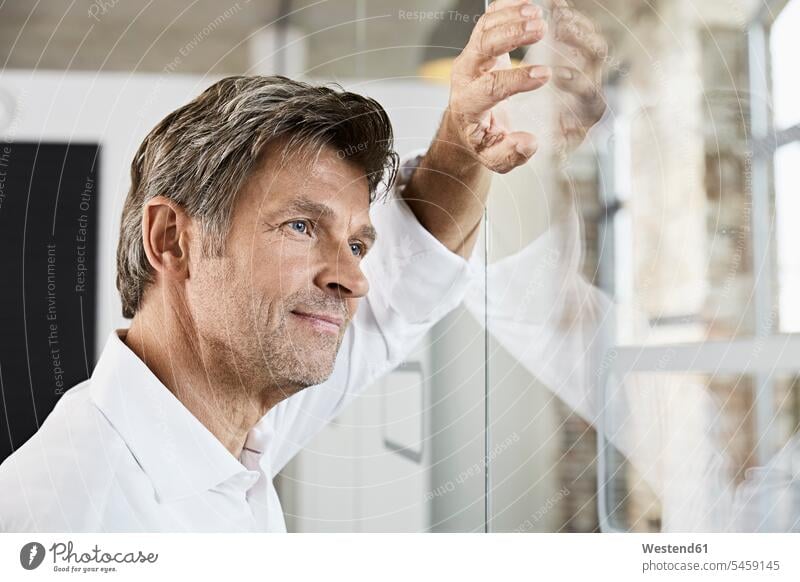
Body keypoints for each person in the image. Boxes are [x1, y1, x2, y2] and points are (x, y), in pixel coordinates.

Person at [0, 0, 606, 532]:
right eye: (300, 227)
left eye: (358, 245)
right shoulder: (73, 517)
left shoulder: (224, 421)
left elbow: (411, 271)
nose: (354, 278)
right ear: (172, 239)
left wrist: (469, 131)